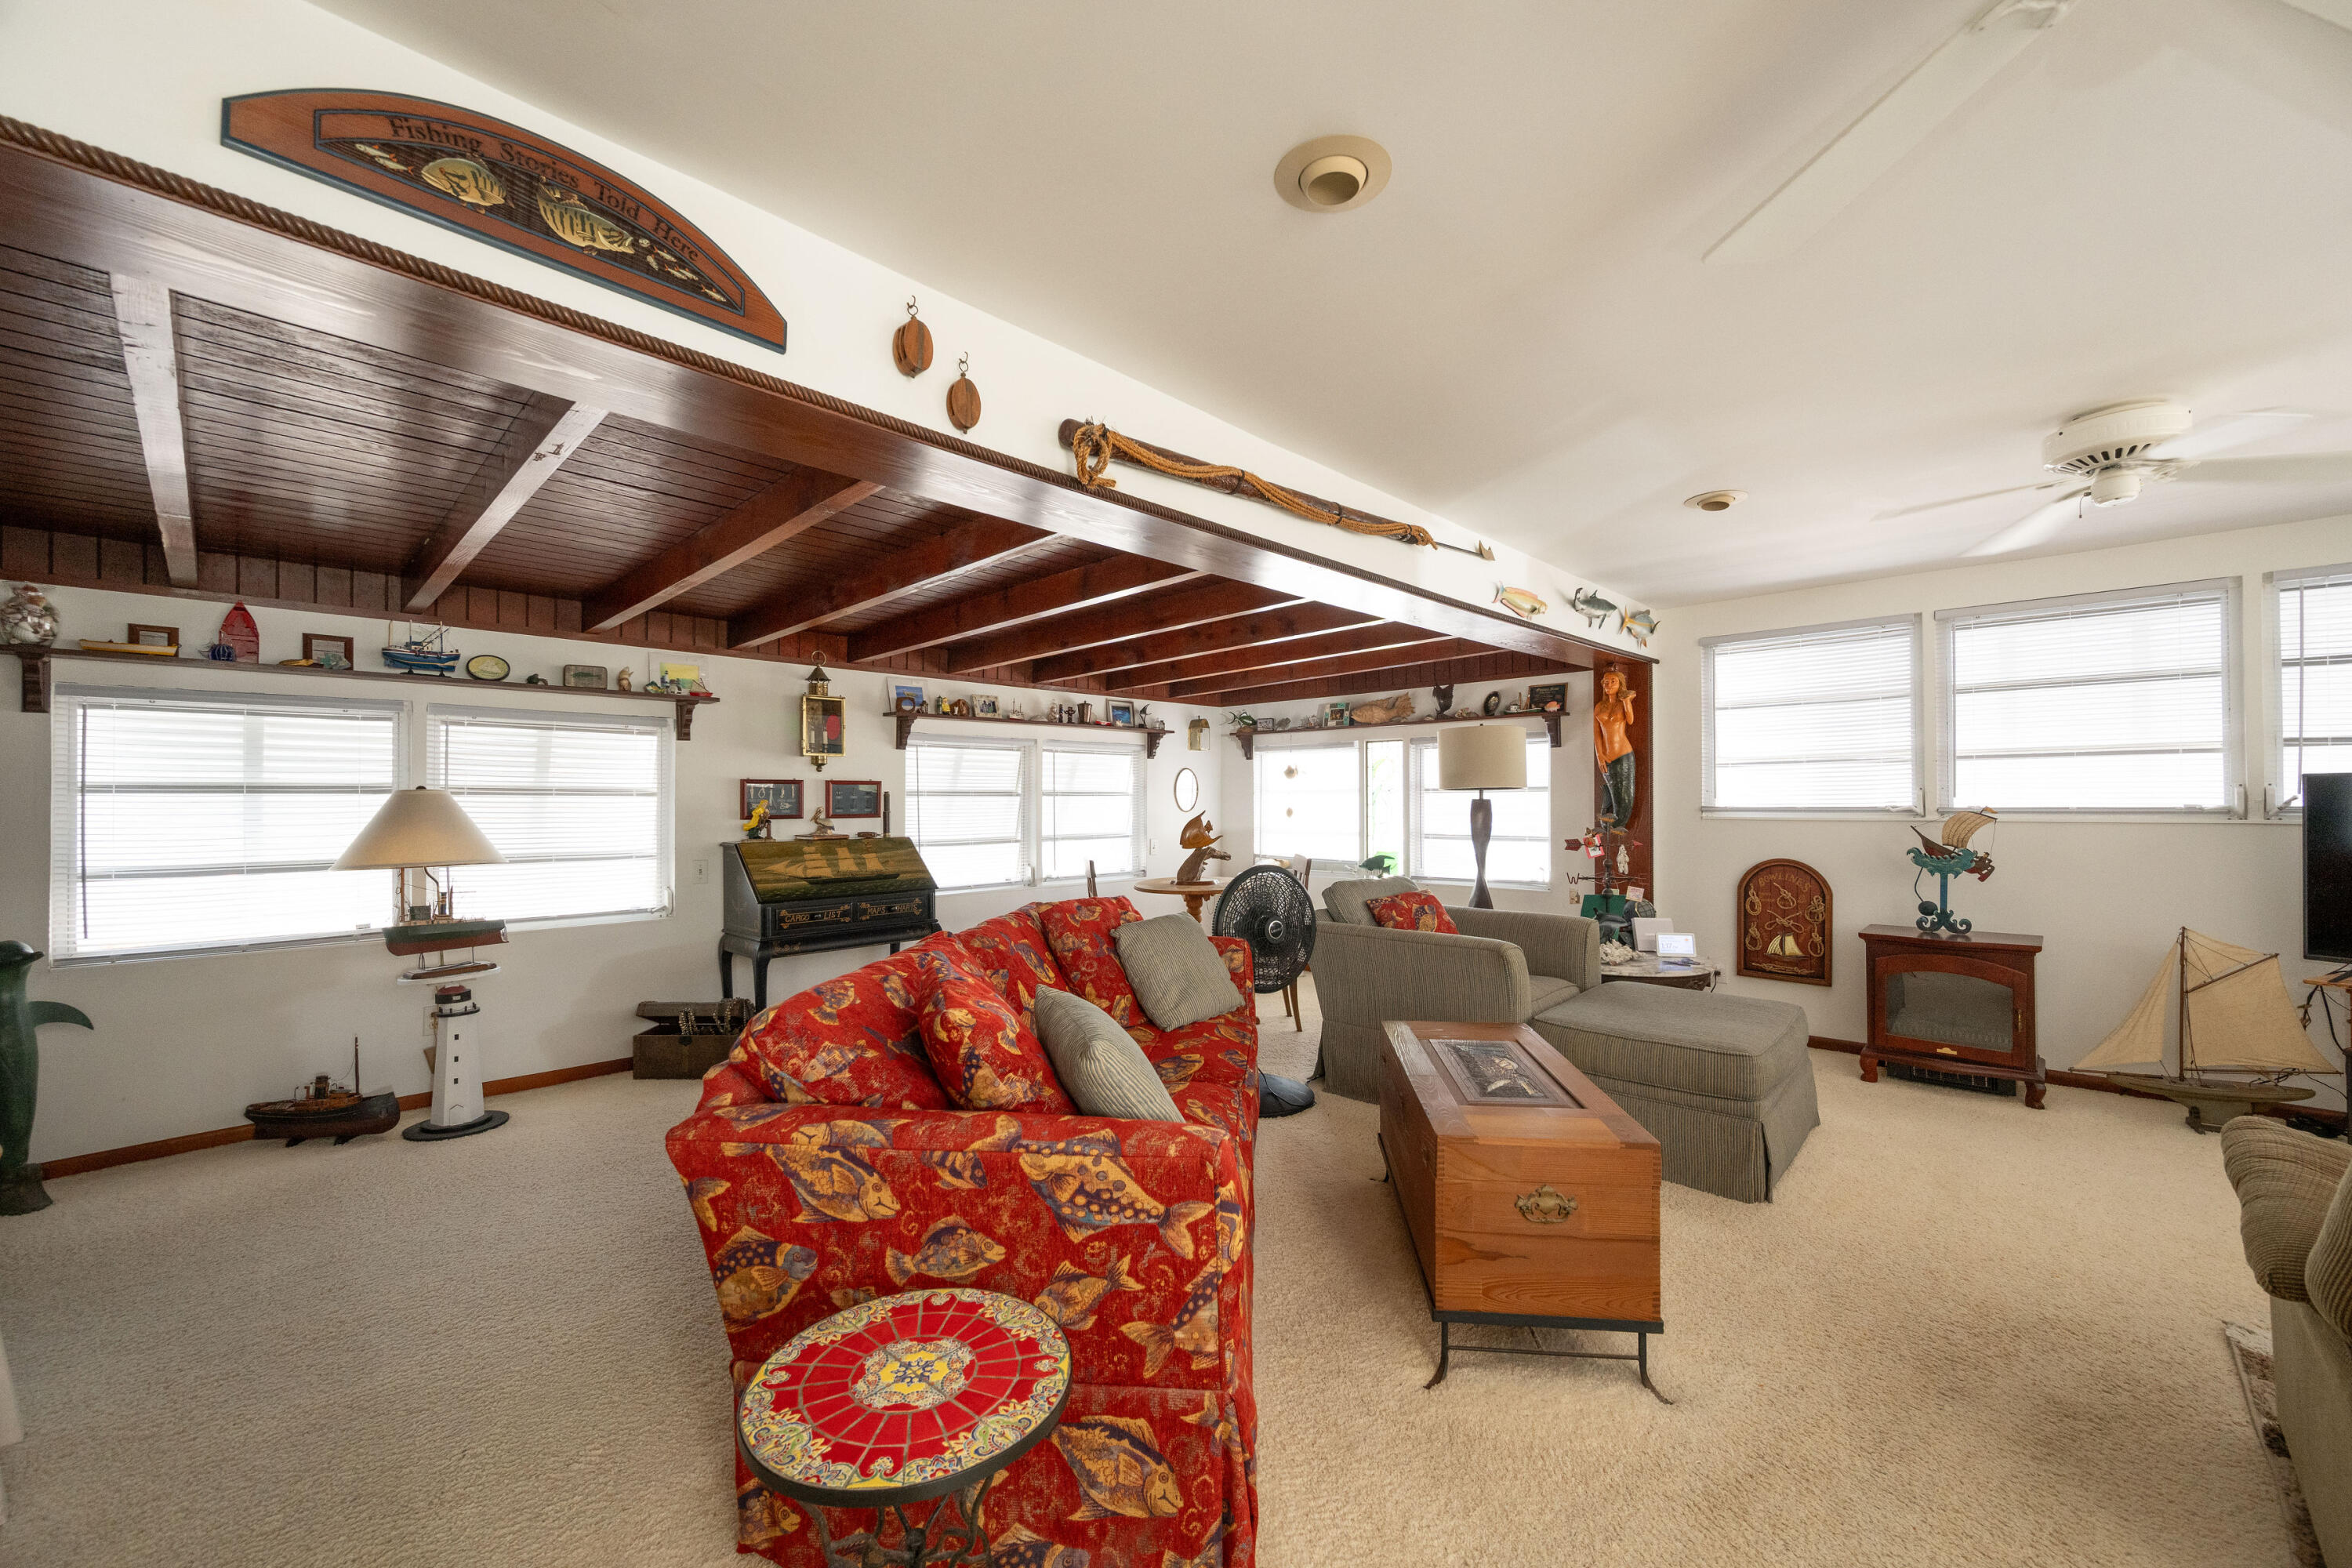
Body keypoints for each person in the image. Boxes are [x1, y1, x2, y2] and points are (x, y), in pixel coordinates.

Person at [1594, 669, 1636, 827]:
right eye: (1606, 681)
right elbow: (1597, 733)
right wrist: (1599, 755)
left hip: (1623, 754)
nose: (1609, 684)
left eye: (1613, 681)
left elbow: (1630, 720)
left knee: (1624, 798)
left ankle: (1614, 825)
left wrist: (1627, 701)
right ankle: (1607, 821)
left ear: (1620, 685)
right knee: (1613, 790)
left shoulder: (1622, 704)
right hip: (1606, 757)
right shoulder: (1599, 707)